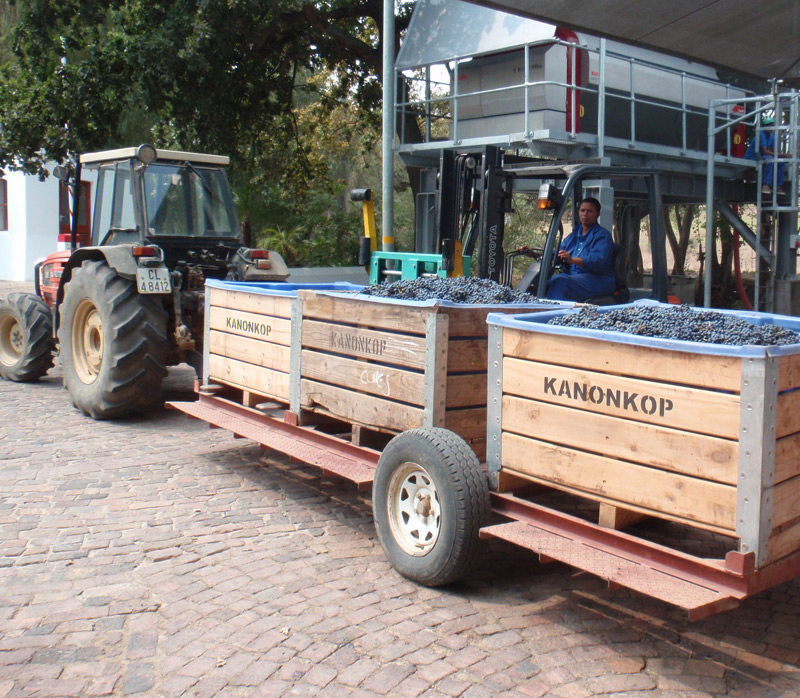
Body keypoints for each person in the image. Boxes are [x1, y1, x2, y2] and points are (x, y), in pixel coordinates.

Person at [545, 197, 616, 302]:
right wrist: (533, 253)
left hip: (598, 279)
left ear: (598, 214)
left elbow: (597, 261)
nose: (585, 214)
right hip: (574, 277)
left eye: (590, 211)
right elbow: (557, 253)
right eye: (582, 210)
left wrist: (572, 260)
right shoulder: (574, 235)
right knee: (545, 282)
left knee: (560, 282)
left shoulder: (602, 236)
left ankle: (553, 314)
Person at [745, 116, 787, 195]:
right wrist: (783, 155)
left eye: (771, 125)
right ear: (764, 126)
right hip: (753, 156)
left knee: (781, 162)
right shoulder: (760, 134)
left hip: (762, 156)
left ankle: (777, 186)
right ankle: (765, 185)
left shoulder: (772, 136)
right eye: (769, 125)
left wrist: (782, 157)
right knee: (770, 159)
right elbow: (765, 151)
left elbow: (775, 151)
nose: (770, 127)